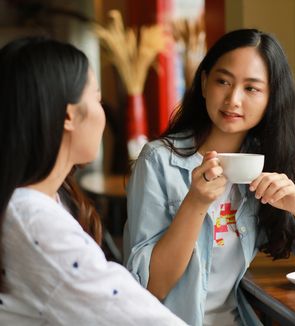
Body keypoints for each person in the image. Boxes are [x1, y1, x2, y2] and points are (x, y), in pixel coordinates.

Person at [124, 28, 295, 326]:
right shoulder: (158, 161)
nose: (233, 99)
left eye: (251, 88)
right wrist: (195, 202)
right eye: (223, 81)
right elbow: (150, 287)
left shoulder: (268, 163)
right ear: (205, 82)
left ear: (271, 99)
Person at [0, 37, 185, 325]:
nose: (102, 113)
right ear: (69, 116)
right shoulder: (34, 221)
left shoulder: (38, 201)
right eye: (97, 99)